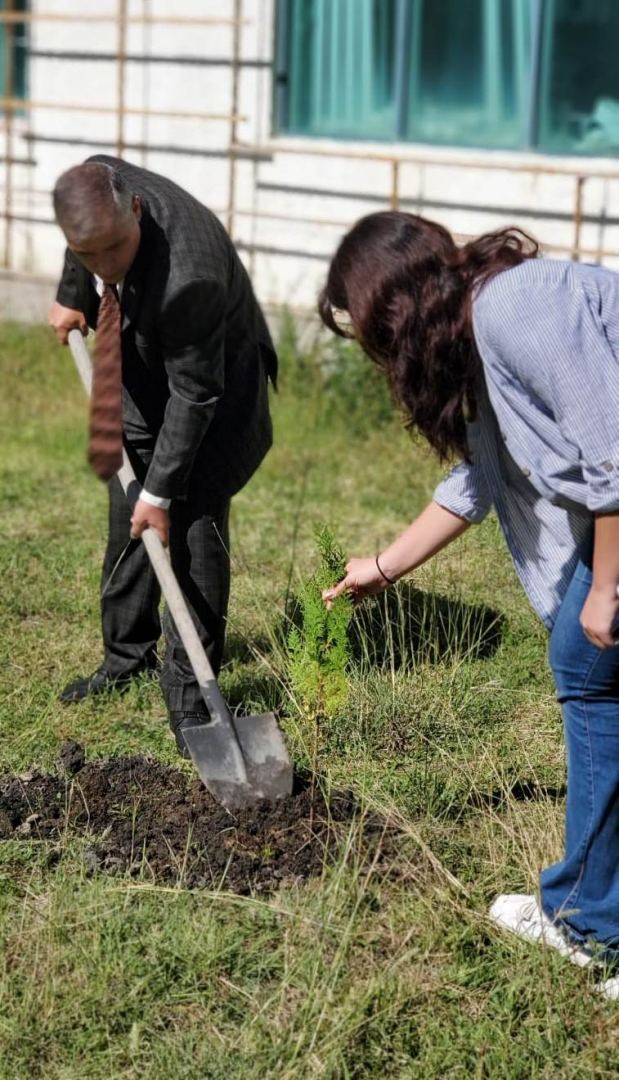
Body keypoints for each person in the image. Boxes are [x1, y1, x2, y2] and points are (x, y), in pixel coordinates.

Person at [318, 210, 619, 997]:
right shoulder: (480, 329)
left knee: (587, 667)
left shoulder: (518, 306)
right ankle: (587, 910)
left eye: (370, 337)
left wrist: (610, 588)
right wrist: (382, 567)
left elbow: (612, 451)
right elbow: (479, 478)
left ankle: (589, 922)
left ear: (391, 308)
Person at [49, 156, 277, 757]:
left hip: (215, 391)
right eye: (88, 256)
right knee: (129, 511)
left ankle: (193, 699)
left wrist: (160, 495)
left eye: (114, 251)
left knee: (194, 527)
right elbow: (87, 247)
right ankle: (125, 657)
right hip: (142, 363)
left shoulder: (189, 272)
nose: (105, 267)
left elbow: (195, 393)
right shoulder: (96, 191)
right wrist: (74, 293)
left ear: (138, 211)